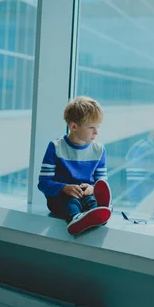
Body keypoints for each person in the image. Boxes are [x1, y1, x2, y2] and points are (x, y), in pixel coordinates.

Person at [37, 96, 112, 236]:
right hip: (60, 199)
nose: (96, 133)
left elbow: (102, 182)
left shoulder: (99, 150)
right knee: (71, 201)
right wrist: (64, 188)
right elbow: (43, 183)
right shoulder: (56, 147)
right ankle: (76, 219)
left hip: (86, 196)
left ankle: (98, 215)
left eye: (98, 127)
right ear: (73, 126)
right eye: (91, 128)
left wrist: (92, 189)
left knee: (91, 200)